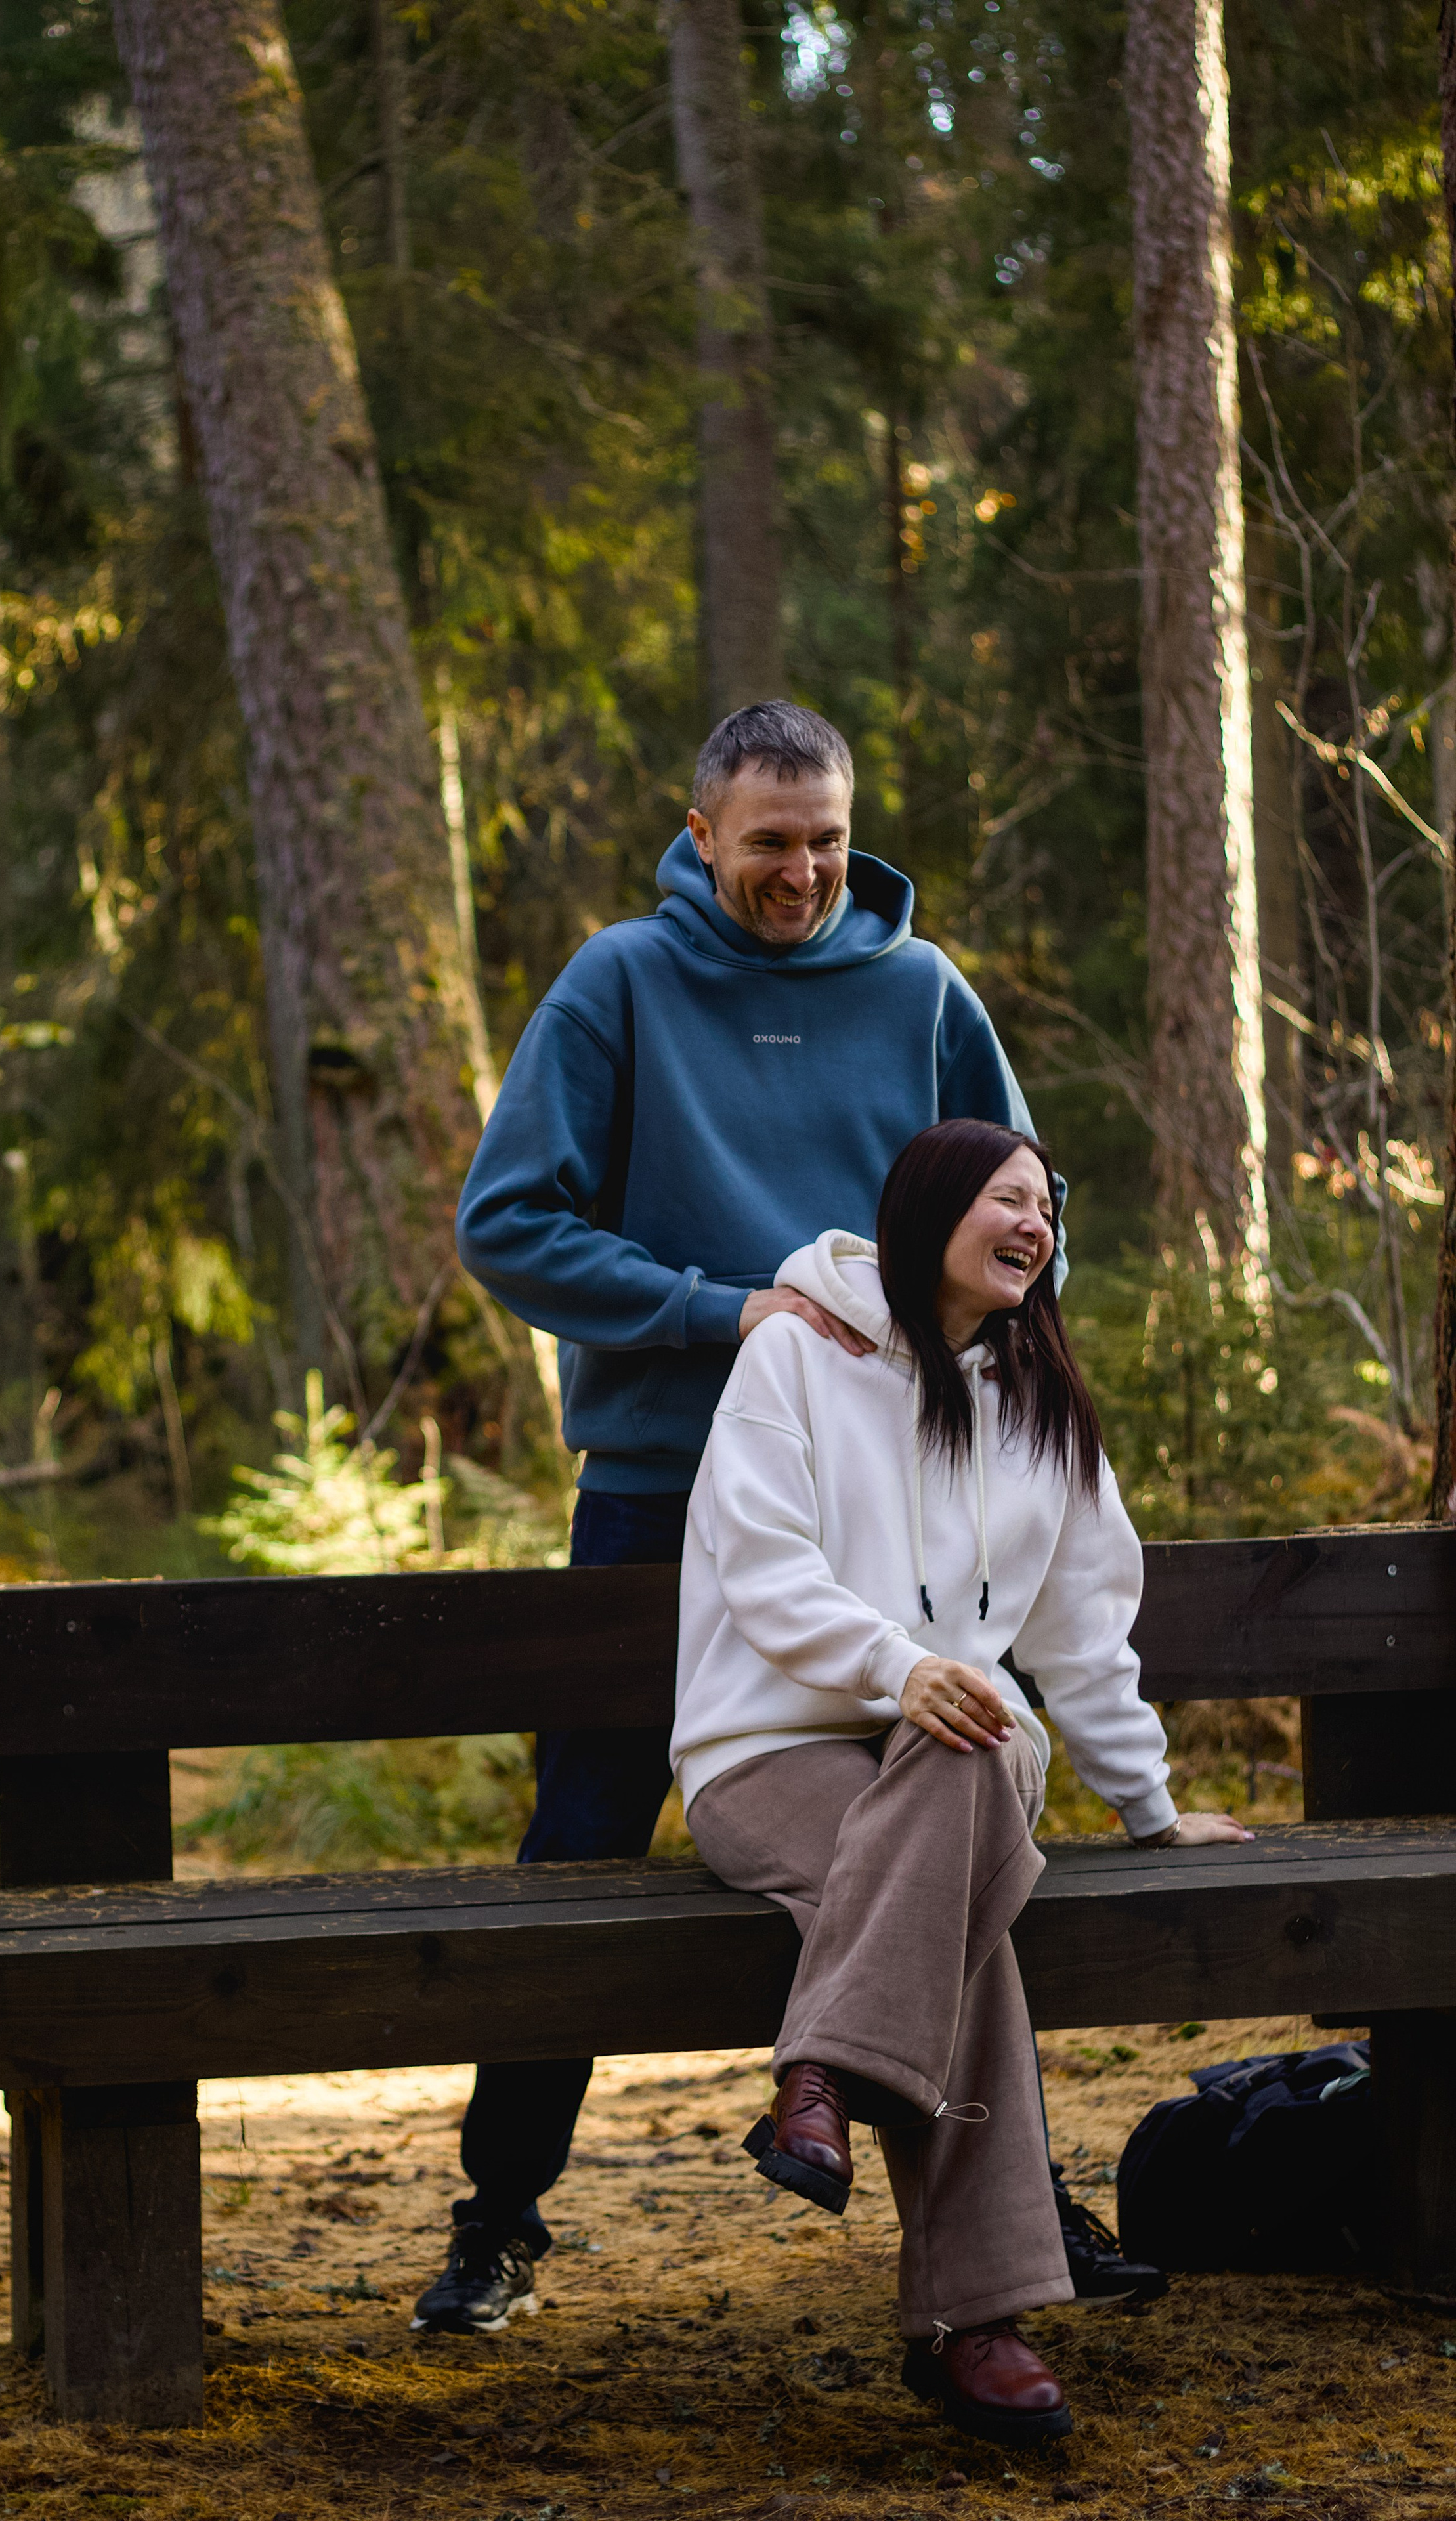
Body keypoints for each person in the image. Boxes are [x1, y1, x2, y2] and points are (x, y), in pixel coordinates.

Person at [412, 699, 1156, 2335]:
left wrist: (978, 1376)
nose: (802, 870)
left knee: (940, 1806)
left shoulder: (921, 992)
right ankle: (500, 2218)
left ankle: (987, 2194)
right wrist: (717, 1310)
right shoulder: (621, 981)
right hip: (659, 1492)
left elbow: (1026, 1207)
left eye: (826, 838)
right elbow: (507, 1223)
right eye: (769, 843)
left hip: (887, 1482)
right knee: (575, 1847)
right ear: (701, 840)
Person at [674, 1119, 1251, 2445]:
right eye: (1007, 1200)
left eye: (1045, 1211)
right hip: (766, 1752)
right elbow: (760, 1569)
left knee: (975, 1731)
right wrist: (894, 1667)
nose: (1033, 1228)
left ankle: (820, 2075)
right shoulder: (793, 1358)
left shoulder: (1043, 1402)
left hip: (969, 1752)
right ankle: (967, 2325)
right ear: (932, 1207)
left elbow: (1081, 1638)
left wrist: (1148, 1807)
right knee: (961, 1935)